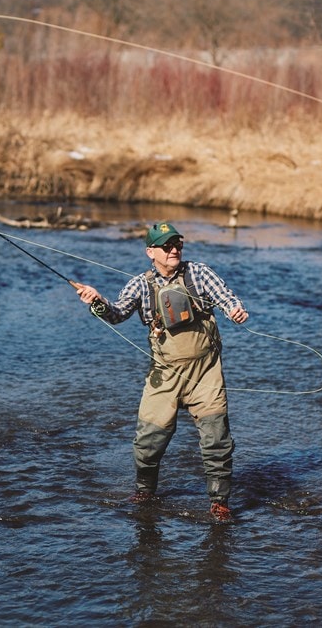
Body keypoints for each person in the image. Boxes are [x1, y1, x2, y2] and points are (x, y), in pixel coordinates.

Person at [75, 222, 249, 523]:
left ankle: (220, 504)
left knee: (217, 441)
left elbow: (226, 298)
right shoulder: (140, 284)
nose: (174, 250)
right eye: (166, 246)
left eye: (177, 244)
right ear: (150, 252)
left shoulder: (199, 273)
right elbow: (116, 314)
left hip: (205, 371)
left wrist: (235, 310)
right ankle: (145, 492)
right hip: (164, 374)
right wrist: (97, 303)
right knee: (147, 442)